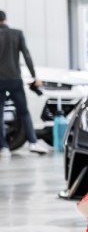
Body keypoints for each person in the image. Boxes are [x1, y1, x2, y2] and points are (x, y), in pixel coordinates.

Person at [0, 9, 50, 156]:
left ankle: (3, 148)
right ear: (5, 19)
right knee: (24, 112)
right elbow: (26, 55)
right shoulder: (17, 33)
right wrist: (34, 76)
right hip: (15, 79)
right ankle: (33, 143)